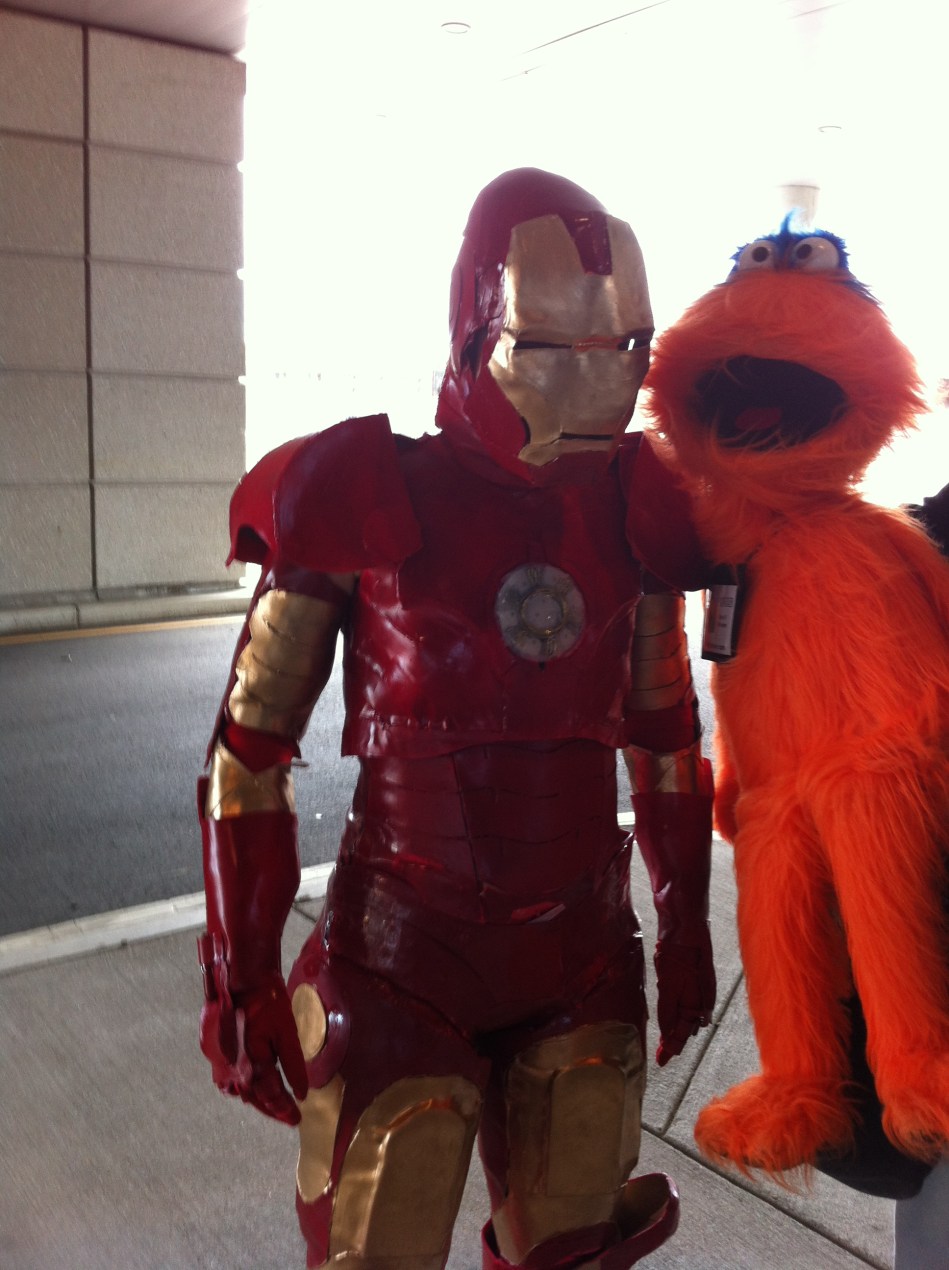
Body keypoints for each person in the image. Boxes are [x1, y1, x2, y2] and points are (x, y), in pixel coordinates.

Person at [196, 167, 716, 1270]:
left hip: (583, 949)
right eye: (557, 350)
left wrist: (683, 924)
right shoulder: (355, 486)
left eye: (623, 351)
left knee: (570, 1243)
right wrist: (239, 973)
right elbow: (249, 752)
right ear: (480, 327)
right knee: (380, 1232)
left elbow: (666, 738)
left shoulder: (640, 502)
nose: (597, 385)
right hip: (400, 957)